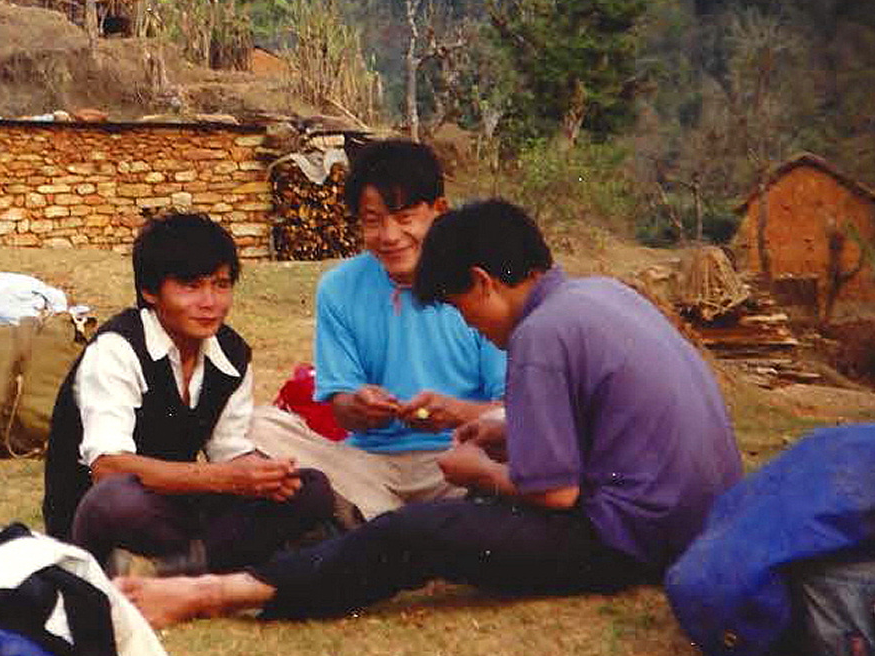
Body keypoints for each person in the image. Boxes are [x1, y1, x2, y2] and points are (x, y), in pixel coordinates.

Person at [121, 199, 743, 627]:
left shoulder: (540, 335)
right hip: (696, 524)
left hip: (628, 542)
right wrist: (500, 429)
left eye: (461, 307)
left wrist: (477, 474)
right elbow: (601, 424)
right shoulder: (599, 295)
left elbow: (554, 497)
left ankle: (217, 592)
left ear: (483, 283)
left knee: (415, 535)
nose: (470, 323)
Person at [43, 212, 333, 576]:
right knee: (115, 501)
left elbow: (231, 450)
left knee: (312, 488)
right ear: (151, 291)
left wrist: (267, 477)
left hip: (174, 506)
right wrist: (227, 479)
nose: (210, 302)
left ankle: (177, 568)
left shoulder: (230, 355)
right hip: (101, 514)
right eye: (191, 286)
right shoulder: (117, 349)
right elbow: (109, 468)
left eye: (221, 284)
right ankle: (212, 560)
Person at [250, 139, 506, 521]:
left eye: (404, 218)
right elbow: (339, 406)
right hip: (368, 465)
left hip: (459, 457)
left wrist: (456, 412)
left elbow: (514, 409)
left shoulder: (478, 284)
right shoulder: (339, 288)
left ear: (439, 211)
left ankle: (379, 524)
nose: (389, 236)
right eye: (373, 220)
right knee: (258, 425)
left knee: (514, 446)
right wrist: (359, 407)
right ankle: (395, 521)